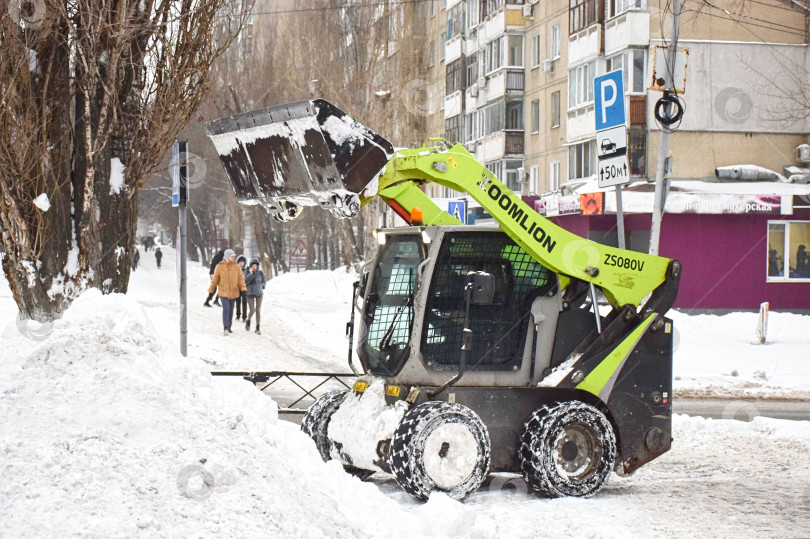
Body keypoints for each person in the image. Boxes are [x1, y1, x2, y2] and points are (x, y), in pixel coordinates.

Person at [208, 249, 246, 336]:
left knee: (231, 310)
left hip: (233, 292)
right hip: (223, 292)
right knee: (226, 309)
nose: (233, 258)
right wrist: (211, 290)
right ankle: (225, 328)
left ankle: (229, 327)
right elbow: (215, 280)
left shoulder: (236, 267)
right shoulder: (219, 266)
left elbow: (241, 278)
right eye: (231, 256)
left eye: (233, 256)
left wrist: (243, 288)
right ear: (226, 256)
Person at [244, 259, 266, 335]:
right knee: (252, 310)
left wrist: (261, 286)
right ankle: (248, 320)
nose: (254, 266)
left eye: (256, 265)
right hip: (250, 293)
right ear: (250, 266)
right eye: (253, 265)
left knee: (258, 310)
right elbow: (245, 282)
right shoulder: (247, 272)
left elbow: (264, 281)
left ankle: (257, 327)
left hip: (259, 293)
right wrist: (251, 274)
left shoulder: (260, 273)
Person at [235, 254, 248, 321]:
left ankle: (244, 316)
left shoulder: (246, 270)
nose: (241, 263)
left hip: (244, 288)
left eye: (242, 262)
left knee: (244, 302)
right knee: (238, 302)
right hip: (237, 288)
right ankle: (238, 315)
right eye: (240, 262)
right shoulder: (235, 270)